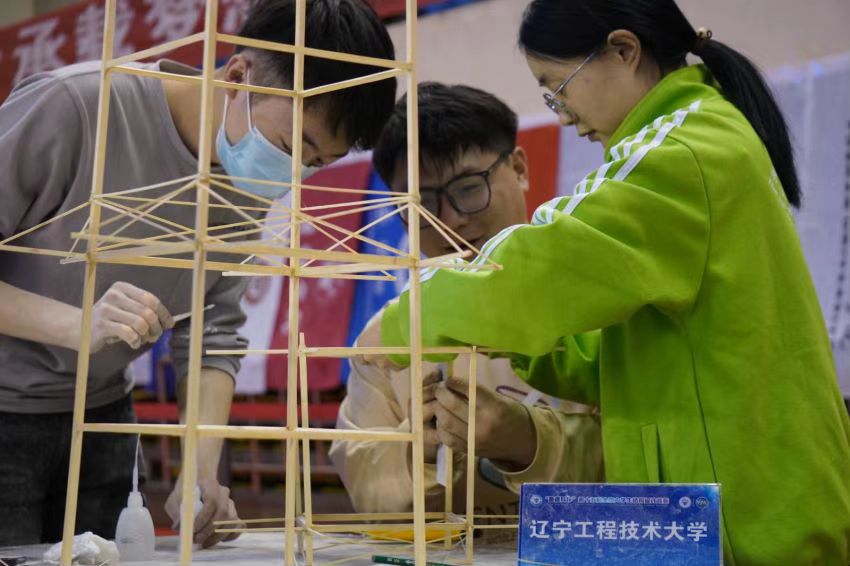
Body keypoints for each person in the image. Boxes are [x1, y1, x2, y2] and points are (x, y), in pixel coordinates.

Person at [369, 1, 850, 563]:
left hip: (749, 517)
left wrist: (411, 318)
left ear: (624, 50)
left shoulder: (678, 153)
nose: (564, 115)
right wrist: (520, 345)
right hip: (740, 506)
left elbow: (535, 268)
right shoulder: (703, 139)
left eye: (557, 87)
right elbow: (618, 358)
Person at [0, 0, 395, 548]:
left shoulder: (247, 171)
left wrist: (201, 469)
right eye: (292, 148)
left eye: (317, 164)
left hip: (103, 414)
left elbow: (213, 329)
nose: (292, 176)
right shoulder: (77, 107)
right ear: (237, 77)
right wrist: (77, 326)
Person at [330, 83, 603, 517]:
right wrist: (417, 451)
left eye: (470, 188)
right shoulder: (386, 340)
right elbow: (365, 483)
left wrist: (528, 441)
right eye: (422, 204)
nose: (451, 221)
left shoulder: (602, 300)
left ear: (519, 168)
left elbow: (652, 454)